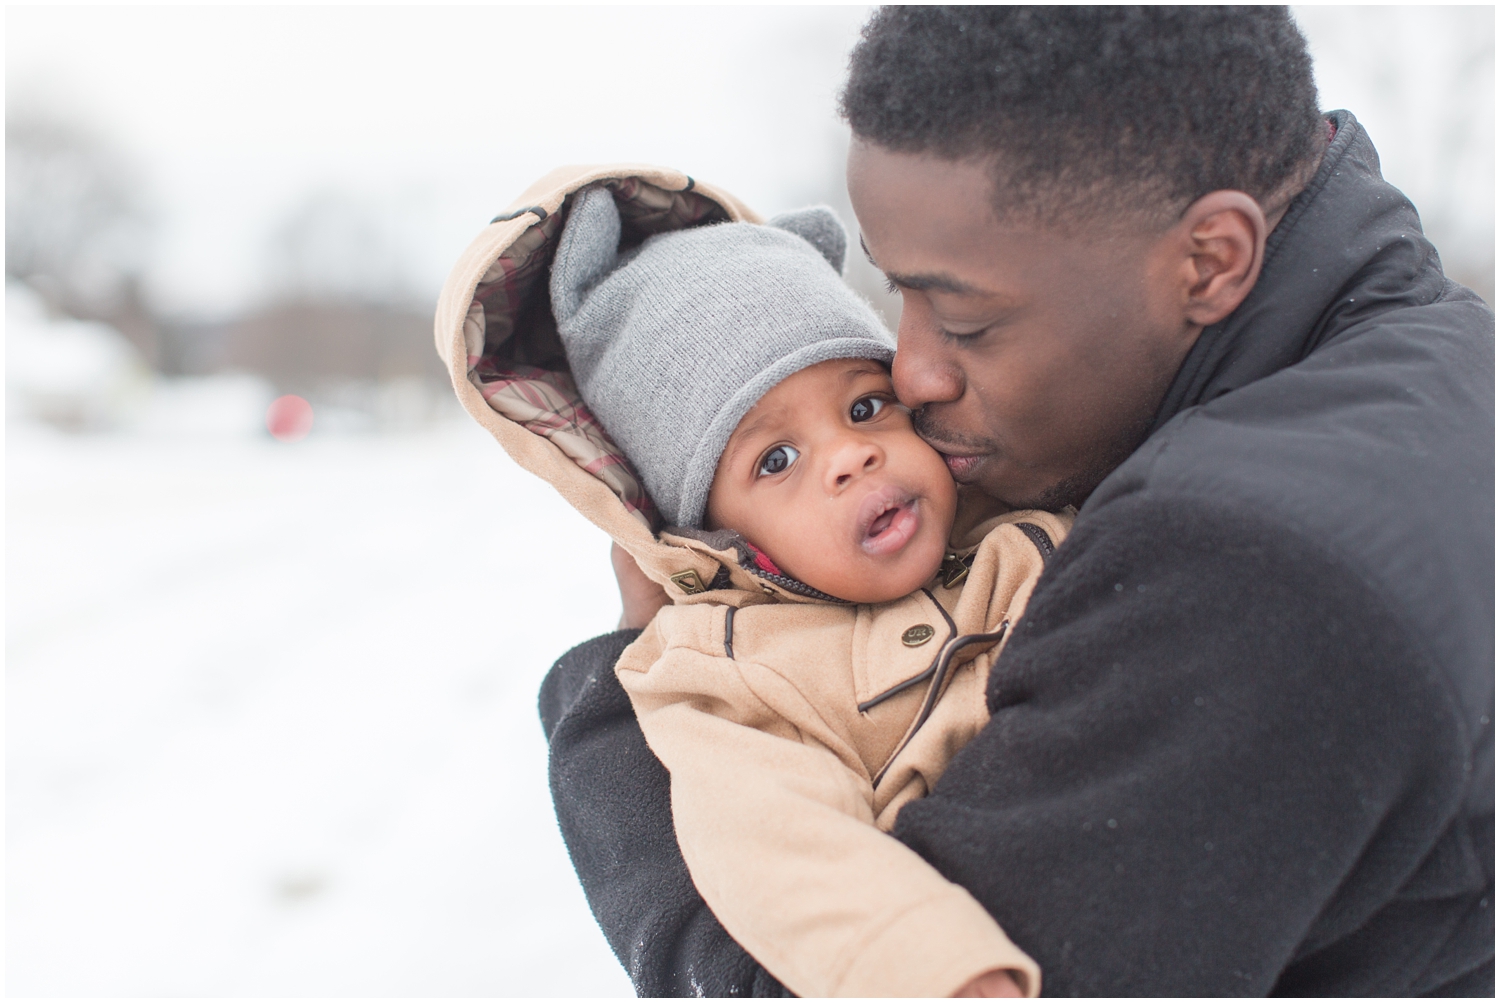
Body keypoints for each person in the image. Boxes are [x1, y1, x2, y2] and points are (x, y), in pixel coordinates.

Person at [540, 6, 1494, 997]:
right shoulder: (1436, 360)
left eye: (963, 318)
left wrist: (613, 727)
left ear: (1209, 259)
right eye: (892, 295)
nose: (909, 370)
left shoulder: (1240, 566)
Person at [546, 183, 1074, 997]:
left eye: (867, 405)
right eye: (777, 460)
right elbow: (787, 854)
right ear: (716, 537)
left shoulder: (1027, 518)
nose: (849, 455)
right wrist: (940, 975)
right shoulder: (733, 674)